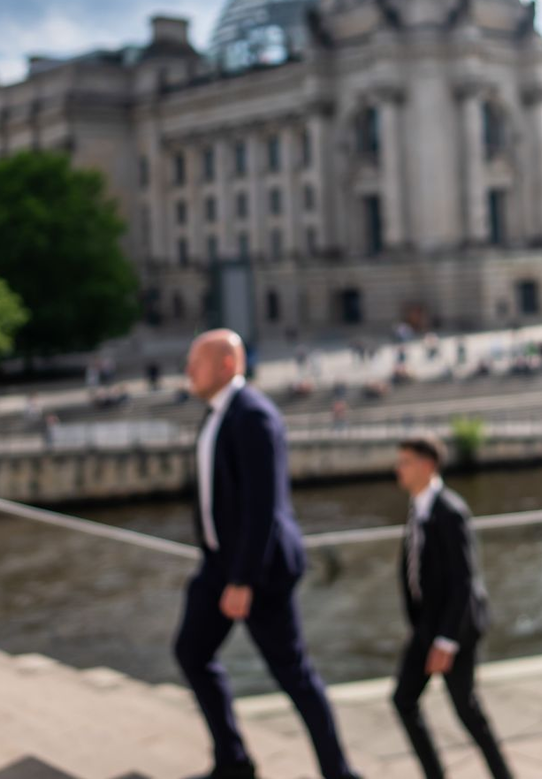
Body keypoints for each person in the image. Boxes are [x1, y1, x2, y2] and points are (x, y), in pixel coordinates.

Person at [173, 329, 361, 779]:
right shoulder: (217, 414)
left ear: (226, 365)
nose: (187, 371)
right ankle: (233, 760)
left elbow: (264, 508)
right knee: (191, 652)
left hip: (259, 571)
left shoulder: (253, 415)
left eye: (196, 362)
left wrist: (242, 580)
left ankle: (339, 774)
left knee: (293, 675)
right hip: (219, 564)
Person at [392, 434, 512, 779]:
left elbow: (464, 582)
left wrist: (446, 641)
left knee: (466, 709)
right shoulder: (418, 507)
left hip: (454, 628)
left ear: (428, 465)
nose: (398, 469)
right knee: (403, 700)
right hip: (426, 626)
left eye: (405, 462)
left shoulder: (450, 511)